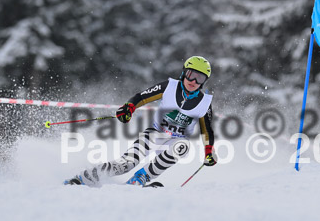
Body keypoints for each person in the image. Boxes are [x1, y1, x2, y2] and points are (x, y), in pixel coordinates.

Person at [64, 56, 217, 187]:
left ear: (204, 82)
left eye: (200, 78)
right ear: (184, 73)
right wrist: (129, 108)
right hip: (155, 134)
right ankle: (83, 178)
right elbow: (141, 97)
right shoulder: (170, 86)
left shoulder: (204, 102)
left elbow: (207, 131)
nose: (193, 81)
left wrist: (209, 151)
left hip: (176, 141)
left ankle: (141, 178)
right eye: (191, 75)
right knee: (126, 164)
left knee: (183, 146)